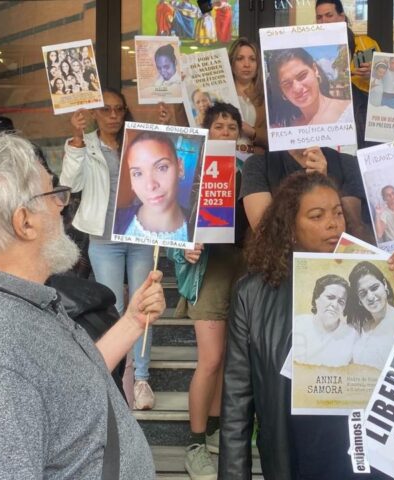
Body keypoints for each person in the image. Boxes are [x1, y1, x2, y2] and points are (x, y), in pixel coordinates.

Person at [0, 134, 165, 478]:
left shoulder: (18, 297)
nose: (62, 205)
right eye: (53, 193)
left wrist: (132, 320)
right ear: (24, 222)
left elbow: (66, 383)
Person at [220, 171, 394, 479]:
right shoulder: (253, 293)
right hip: (297, 454)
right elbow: (236, 403)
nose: (333, 223)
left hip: (370, 453)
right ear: (290, 228)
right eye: (317, 215)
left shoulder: (379, 276)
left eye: (338, 213)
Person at [60, 89, 157, 410]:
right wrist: (76, 139)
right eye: (107, 110)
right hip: (104, 238)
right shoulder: (86, 146)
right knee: (112, 310)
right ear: (95, 114)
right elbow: (69, 183)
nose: (113, 115)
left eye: (118, 110)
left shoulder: (138, 142)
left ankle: (141, 379)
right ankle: (115, 376)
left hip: (140, 233)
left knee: (143, 306)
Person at [166, 102, 246, 480]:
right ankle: (195, 442)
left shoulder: (248, 171)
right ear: (206, 131)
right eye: (219, 127)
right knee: (211, 359)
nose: (226, 133)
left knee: (229, 360)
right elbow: (168, 222)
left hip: (243, 270)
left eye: (232, 127)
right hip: (209, 272)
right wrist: (184, 245)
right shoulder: (190, 174)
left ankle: (215, 431)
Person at [240, 144, 372, 243]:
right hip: (281, 265)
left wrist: (323, 181)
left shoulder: (346, 162)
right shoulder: (258, 164)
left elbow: (353, 226)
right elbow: (263, 230)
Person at [315, 0, 381, 148]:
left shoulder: (365, 43)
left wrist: (375, 75)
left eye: (329, 15)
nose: (324, 21)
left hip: (363, 113)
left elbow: (385, 81)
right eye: (319, 17)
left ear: (341, 17)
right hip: (328, 116)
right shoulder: (312, 47)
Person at [113, 131, 190, 243]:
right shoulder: (116, 221)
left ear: (180, 168)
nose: (150, 185)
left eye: (162, 167)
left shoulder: (199, 229)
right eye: (137, 173)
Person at [267, 48, 352, 128]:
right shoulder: (288, 128)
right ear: (282, 91)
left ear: (315, 70)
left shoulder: (351, 111)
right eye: (287, 84)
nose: (297, 88)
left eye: (302, 76)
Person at [293, 274, 357, 367]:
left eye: (341, 301)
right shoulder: (298, 324)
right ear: (316, 298)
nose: (335, 305)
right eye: (330, 297)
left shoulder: (352, 335)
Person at [348, 261, 394, 369]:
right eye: (363, 293)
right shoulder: (363, 328)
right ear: (359, 300)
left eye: (374, 288)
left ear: (384, 285)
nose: (370, 297)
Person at [228, 37, 268, 160]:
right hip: (223, 162)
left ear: (258, 65)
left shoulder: (267, 97)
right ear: (232, 63)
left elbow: (278, 139)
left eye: (252, 59)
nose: (247, 64)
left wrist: (254, 133)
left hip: (256, 164)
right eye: (240, 59)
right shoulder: (217, 94)